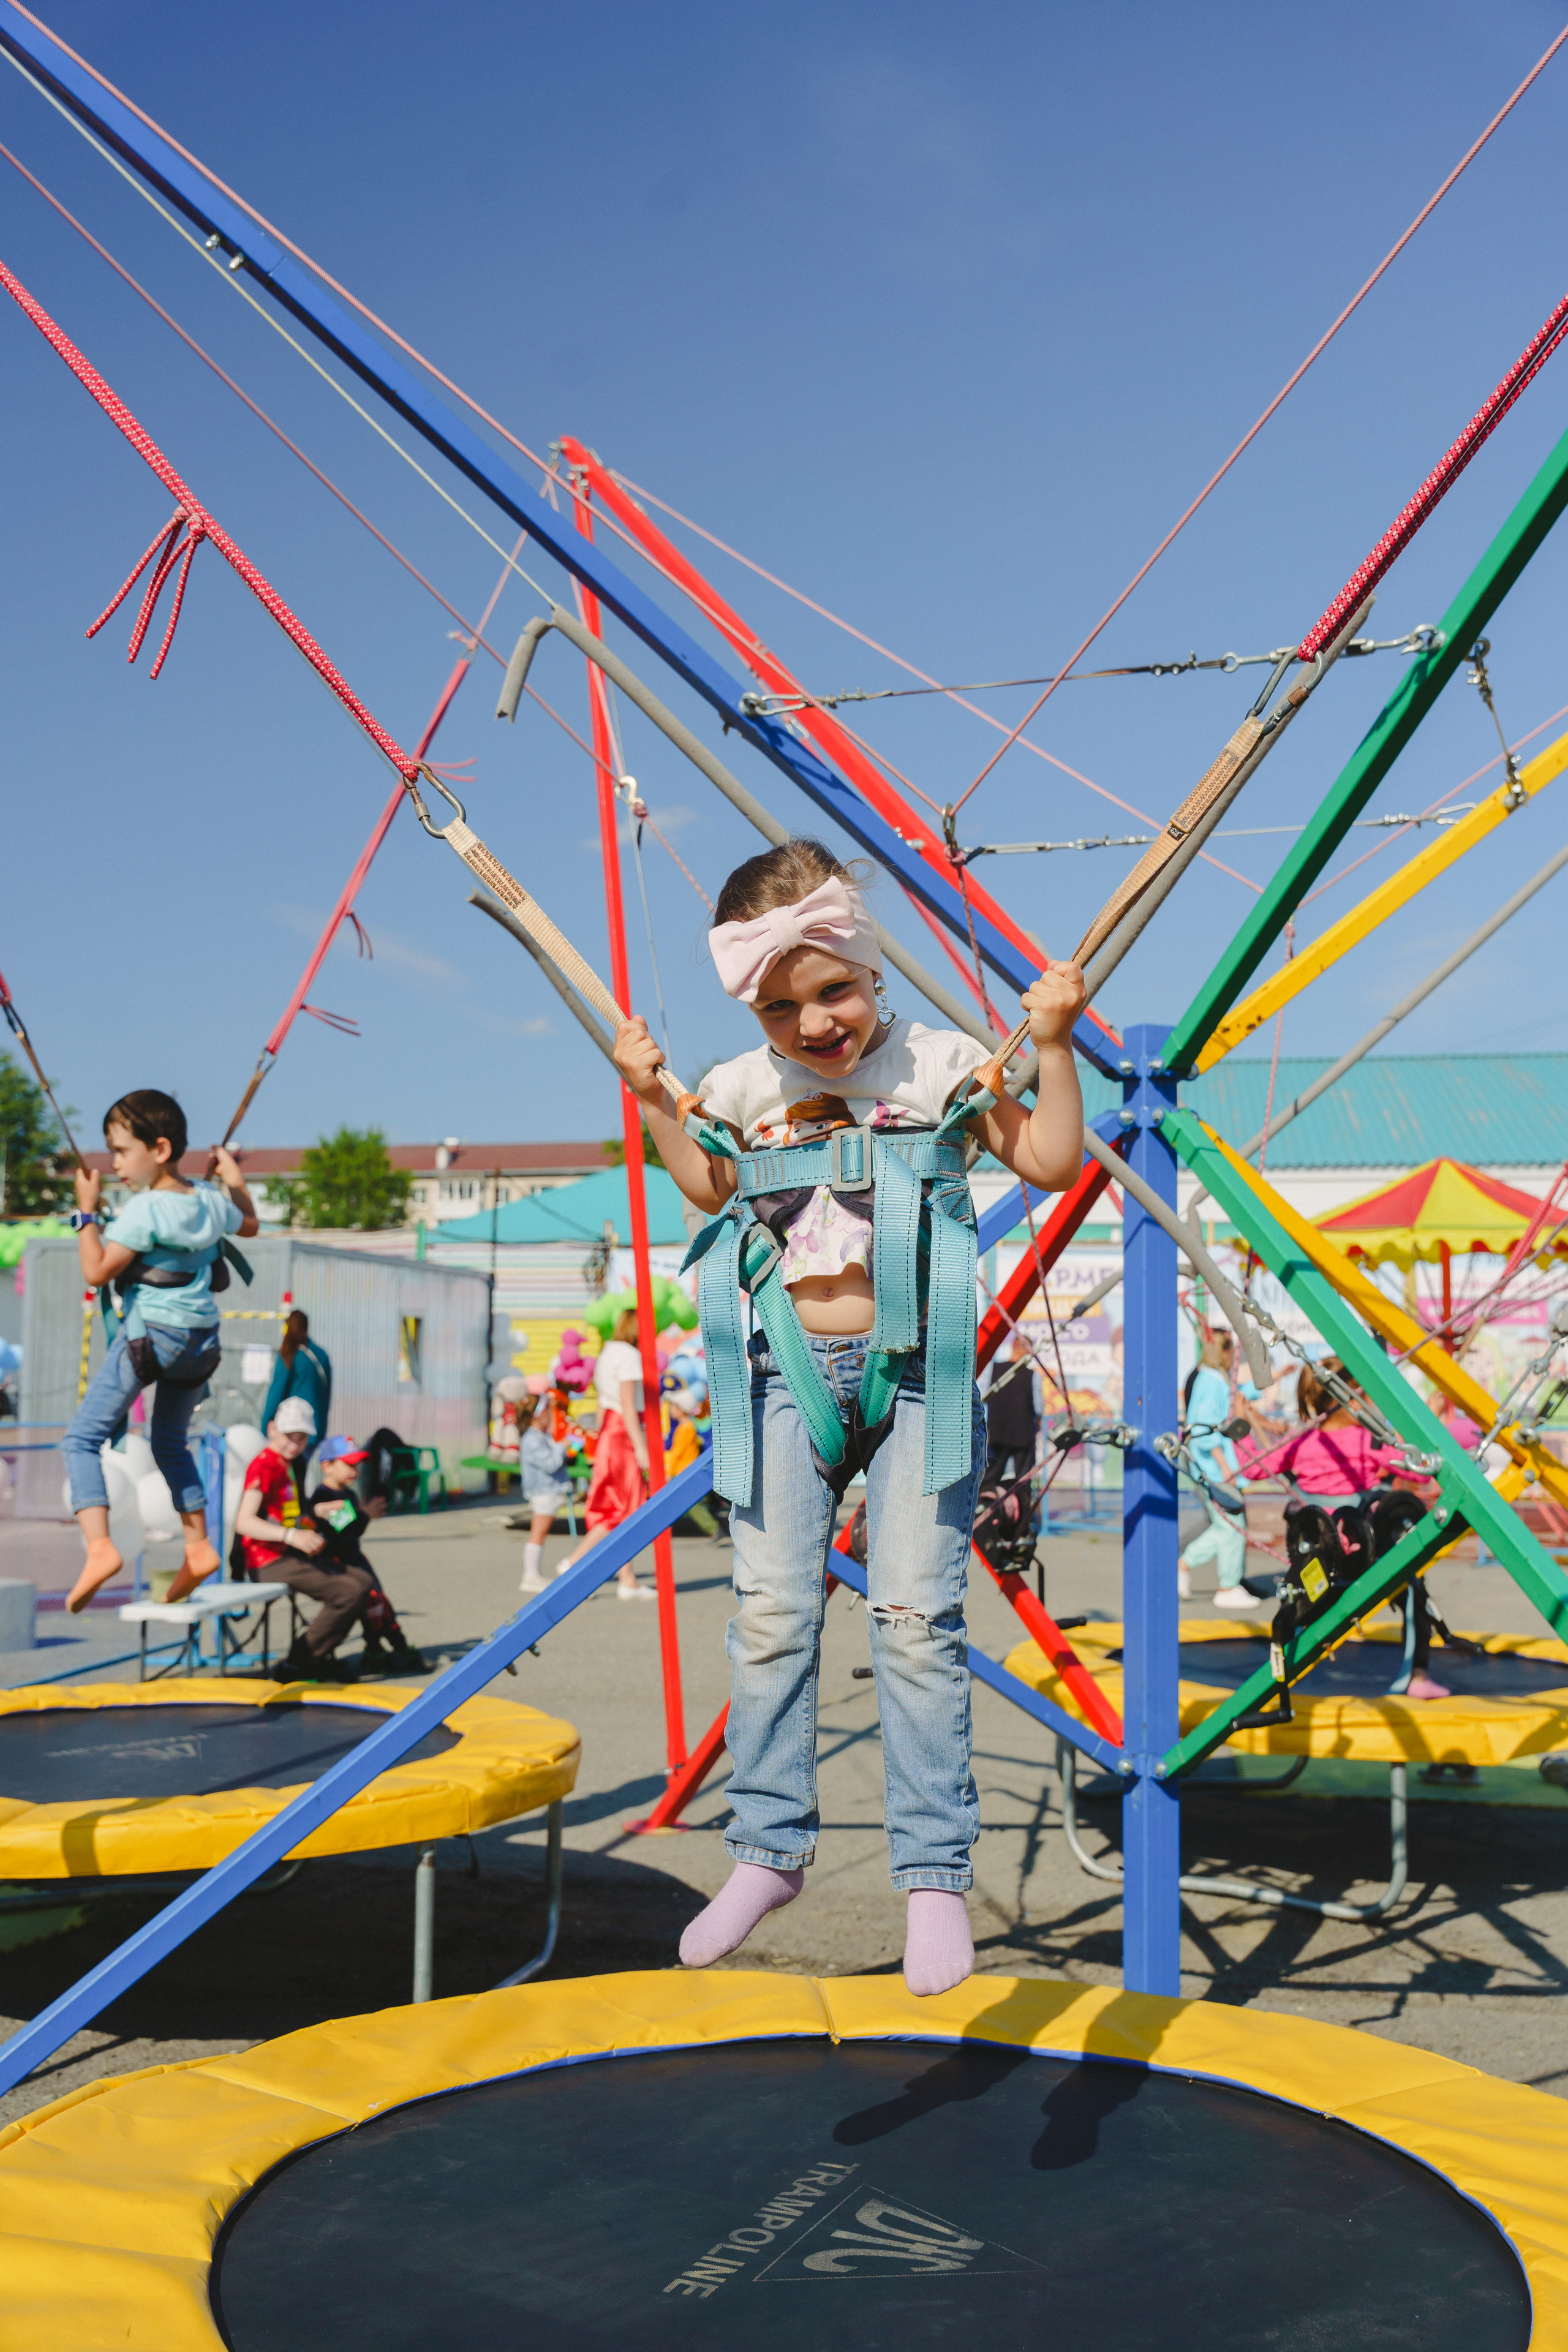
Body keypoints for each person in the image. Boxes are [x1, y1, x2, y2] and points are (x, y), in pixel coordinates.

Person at [613, 837, 1085, 1997]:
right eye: (780, 1009)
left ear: (870, 967)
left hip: (916, 1372)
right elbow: (707, 1185)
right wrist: (651, 1101)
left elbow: (1053, 1160)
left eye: (832, 990)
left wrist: (1057, 1046)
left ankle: (931, 1875)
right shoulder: (736, 1089)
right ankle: (768, 1850)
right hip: (781, 1373)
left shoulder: (942, 1063)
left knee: (916, 1624)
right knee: (771, 1616)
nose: (814, 1024)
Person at [62, 1088, 258, 1613]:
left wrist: (86, 1214)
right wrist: (235, 1184)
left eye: (122, 1151)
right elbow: (252, 1224)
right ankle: (198, 1548)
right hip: (202, 1344)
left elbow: (96, 1270)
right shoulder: (211, 1202)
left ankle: (100, 1548)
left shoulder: (144, 1208)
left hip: (152, 1340)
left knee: (81, 1440)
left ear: (161, 1149)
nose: (114, 1163)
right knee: (170, 1446)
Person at [1273, 1359, 1448, 1698]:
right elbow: (1422, 1473)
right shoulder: (1371, 1441)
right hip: (1366, 1559)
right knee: (1413, 1586)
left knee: (1296, 1594)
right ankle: (1417, 1676)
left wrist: (1250, 1426)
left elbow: (1255, 1469)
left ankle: (1285, 1675)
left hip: (1315, 1561)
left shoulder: (1301, 1443)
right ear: (1354, 1400)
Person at [234, 1398, 368, 1681]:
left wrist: (316, 1512)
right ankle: (298, 1663)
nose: (294, 1444)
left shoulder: (292, 1463)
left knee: (363, 1584)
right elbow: (244, 1521)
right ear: (272, 1429)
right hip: (267, 1559)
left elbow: (288, 1512)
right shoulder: (264, 1466)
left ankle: (320, 1656)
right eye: (288, 1436)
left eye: (302, 1438)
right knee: (348, 1593)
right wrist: (291, 1535)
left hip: (288, 1553)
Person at [552, 1310, 657, 1600]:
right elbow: (627, 1404)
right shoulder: (630, 1356)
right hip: (623, 1433)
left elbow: (603, 1404)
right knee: (622, 1510)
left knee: (617, 1509)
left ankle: (627, 1578)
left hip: (610, 1433)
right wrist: (640, 1446)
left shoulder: (608, 1351)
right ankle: (573, 1564)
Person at [306, 1436, 429, 1673]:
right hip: (338, 1563)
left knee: (379, 1602)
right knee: (372, 1600)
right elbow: (341, 1528)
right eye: (349, 1464)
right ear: (327, 1466)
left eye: (358, 1465)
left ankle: (380, 1649)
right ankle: (387, 1648)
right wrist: (365, 1515)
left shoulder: (349, 1495)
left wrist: (363, 1517)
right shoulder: (323, 1497)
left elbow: (355, 1531)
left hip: (355, 1558)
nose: (356, 1470)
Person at [1178, 1330, 1258, 1611]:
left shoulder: (1212, 1378)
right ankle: (1227, 1586)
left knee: (1227, 1526)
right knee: (1232, 1525)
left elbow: (1236, 1394)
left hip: (1212, 1464)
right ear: (1222, 1352)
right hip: (1214, 1465)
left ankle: (1187, 1564)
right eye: (1232, 1351)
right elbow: (1204, 1427)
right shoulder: (1212, 1382)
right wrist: (1225, 1467)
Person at [516, 1395, 575, 1591]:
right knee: (538, 1533)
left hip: (549, 1492)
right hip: (544, 1492)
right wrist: (562, 1447)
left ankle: (532, 1575)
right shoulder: (532, 1439)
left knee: (540, 1533)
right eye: (549, 1412)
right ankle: (530, 1576)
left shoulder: (541, 1436)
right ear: (539, 1414)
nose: (552, 1416)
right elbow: (550, 1464)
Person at [262, 1310, 331, 1461]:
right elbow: (326, 1397)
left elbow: (276, 1393)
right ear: (307, 1327)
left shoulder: (289, 1353)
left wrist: (265, 1426)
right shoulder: (322, 1355)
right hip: (312, 1430)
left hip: (290, 1432)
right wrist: (321, 1430)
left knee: (285, 1477)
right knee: (299, 1476)